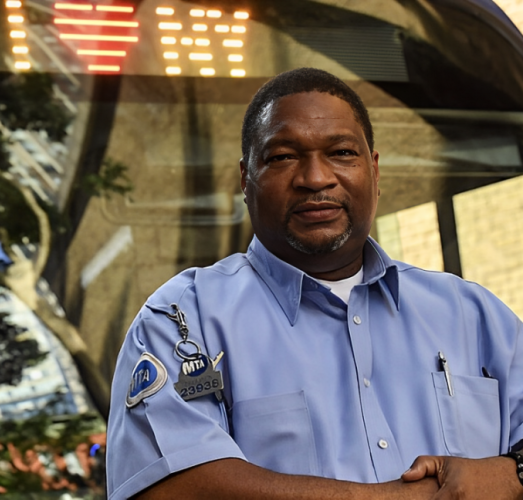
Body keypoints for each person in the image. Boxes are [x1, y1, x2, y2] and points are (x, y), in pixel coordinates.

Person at [105, 68, 523, 500]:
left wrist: (515, 473)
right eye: (283, 157)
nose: (316, 178)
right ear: (246, 180)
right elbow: (172, 487)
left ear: (374, 171)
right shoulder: (182, 321)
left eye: (342, 152)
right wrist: (420, 497)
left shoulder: (473, 313)